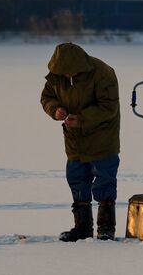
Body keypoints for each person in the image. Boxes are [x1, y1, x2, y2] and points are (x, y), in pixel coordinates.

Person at [40, 41, 121, 241]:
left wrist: (82, 119)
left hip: (102, 139)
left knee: (104, 182)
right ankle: (83, 228)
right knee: (77, 180)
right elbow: (47, 97)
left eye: (70, 72)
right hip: (74, 141)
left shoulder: (103, 72)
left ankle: (106, 229)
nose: (66, 76)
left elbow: (108, 107)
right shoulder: (56, 76)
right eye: (63, 73)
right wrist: (55, 109)